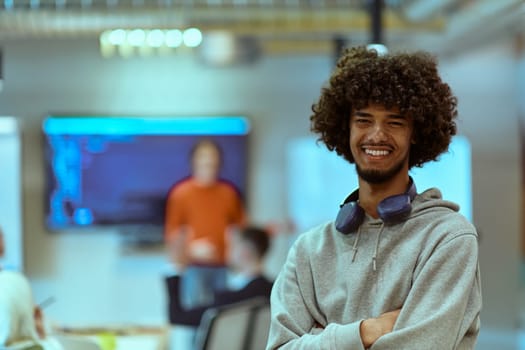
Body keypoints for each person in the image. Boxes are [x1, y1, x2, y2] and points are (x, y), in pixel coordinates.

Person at [267, 46, 482, 349]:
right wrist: (369, 331)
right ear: (346, 128)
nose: (377, 135)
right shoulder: (308, 252)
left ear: (416, 132)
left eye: (395, 122)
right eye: (364, 120)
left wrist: (320, 339)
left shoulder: (447, 238)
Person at [164, 138, 247, 309]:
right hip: (194, 267)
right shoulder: (181, 194)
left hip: (223, 267)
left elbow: (241, 230)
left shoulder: (229, 193)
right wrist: (190, 248)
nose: (208, 161)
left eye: (212, 157)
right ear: (194, 160)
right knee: (196, 318)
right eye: (204, 157)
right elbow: (171, 235)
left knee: (224, 316)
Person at [165, 225, 273, 327]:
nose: (226, 251)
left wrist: (175, 266)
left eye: (230, 246)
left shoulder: (232, 298)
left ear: (244, 252)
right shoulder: (274, 289)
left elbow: (178, 316)